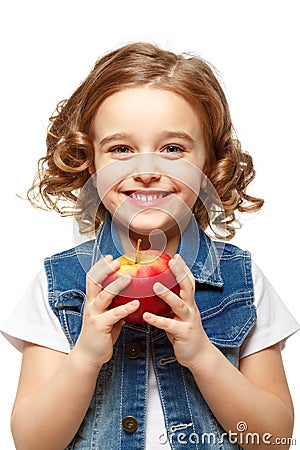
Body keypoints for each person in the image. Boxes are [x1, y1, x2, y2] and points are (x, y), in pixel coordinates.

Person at [1, 42, 299, 450]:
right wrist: (86, 357)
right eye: (121, 150)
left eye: (172, 149)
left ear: (210, 164)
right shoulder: (60, 285)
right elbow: (33, 443)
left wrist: (203, 356)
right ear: (91, 163)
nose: (145, 171)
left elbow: (274, 438)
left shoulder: (242, 281)